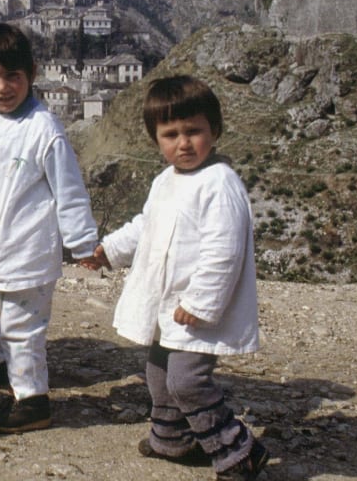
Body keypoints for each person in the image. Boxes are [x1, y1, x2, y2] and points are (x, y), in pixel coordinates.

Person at [79, 75, 269, 481]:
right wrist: (109, 251)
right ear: (156, 139)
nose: (183, 143)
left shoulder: (220, 184)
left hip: (195, 310)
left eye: (193, 131)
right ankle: (172, 439)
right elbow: (146, 226)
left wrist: (201, 303)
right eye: (171, 134)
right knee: (158, 374)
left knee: (187, 380)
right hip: (168, 307)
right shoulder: (165, 181)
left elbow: (224, 251)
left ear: (213, 131)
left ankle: (237, 449)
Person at [0, 23, 98, 434]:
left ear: (31, 73)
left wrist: (83, 242)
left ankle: (32, 399)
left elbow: (69, 190)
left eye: (12, 76)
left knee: (21, 328)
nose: (2, 87)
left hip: (26, 250)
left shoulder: (44, 130)